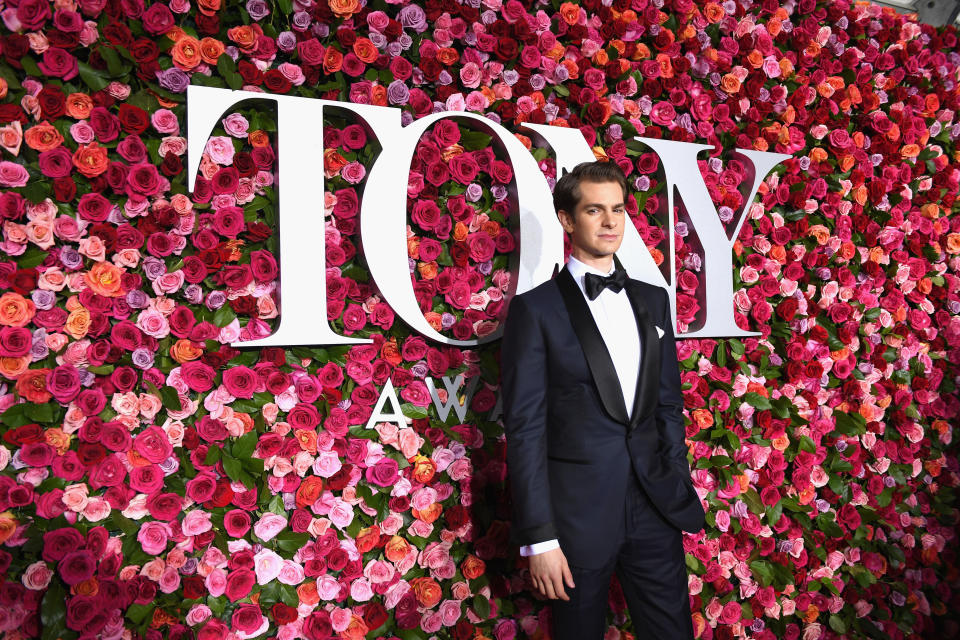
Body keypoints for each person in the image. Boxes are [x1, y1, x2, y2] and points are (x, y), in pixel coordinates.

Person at [499, 160, 706, 639]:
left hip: (655, 508)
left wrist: (674, 476)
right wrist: (539, 539)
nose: (611, 222)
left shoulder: (654, 300)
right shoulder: (536, 310)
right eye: (595, 210)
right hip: (575, 521)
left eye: (617, 209)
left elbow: (669, 406)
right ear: (568, 220)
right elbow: (526, 430)